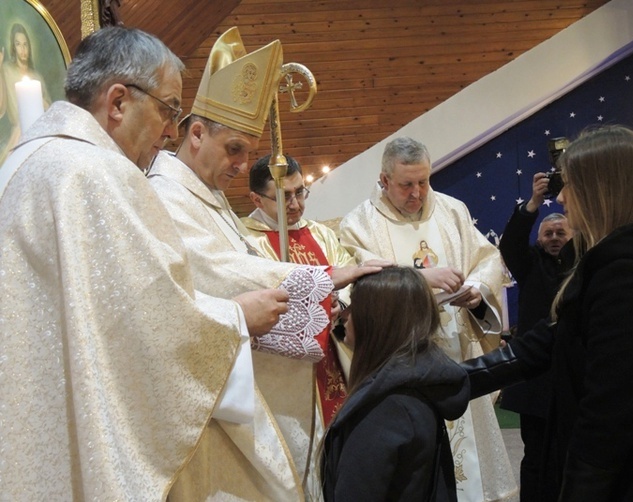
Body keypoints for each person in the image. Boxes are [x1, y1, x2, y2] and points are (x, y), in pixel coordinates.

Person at [0, 26, 291, 500]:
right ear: (118, 102)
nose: (171, 131)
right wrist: (237, 317)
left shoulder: (23, 163)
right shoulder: (98, 173)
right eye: (168, 109)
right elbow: (144, 326)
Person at [147, 28, 381, 501]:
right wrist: (321, 278)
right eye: (235, 149)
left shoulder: (207, 196)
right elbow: (215, 272)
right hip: (217, 402)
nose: (242, 163)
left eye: (249, 152)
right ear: (195, 133)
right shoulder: (166, 195)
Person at [462, 125, 633, 501]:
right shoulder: (624, 257)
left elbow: (608, 420)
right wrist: (456, 378)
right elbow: (550, 339)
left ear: (603, 191)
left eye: (571, 185)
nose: (562, 197)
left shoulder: (629, 275)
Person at [339, 136, 519, 502]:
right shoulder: (358, 224)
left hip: (455, 356)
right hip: (402, 367)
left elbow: (487, 260)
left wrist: (476, 289)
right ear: (384, 180)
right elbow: (362, 287)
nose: (418, 193)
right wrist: (422, 279)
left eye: (424, 182)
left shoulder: (451, 211)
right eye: (407, 184)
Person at [320, 266, 471, 501]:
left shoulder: (382, 409)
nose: (345, 315)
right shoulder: (415, 383)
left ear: (377, 320)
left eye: (354, 307)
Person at [242, 151, 357, 383]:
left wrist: (340, 303)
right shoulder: (244, 240)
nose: (295, 204)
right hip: (280, 365)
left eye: (300, 192)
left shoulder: (320, 233)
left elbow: (350, 272)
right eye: (284, 196)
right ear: (257, 199)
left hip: (333, 345)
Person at [498, 173, 573, 502]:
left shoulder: (584, 263)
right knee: (536, 457)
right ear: (539, 239)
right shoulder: (529, 265)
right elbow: (510, 243)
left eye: (560, 232)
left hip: (573, 376)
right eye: (548, 233)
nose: (554, 237)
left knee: (571, 455)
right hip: (537, 382)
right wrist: (531, 204)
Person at [0, 23, 51, 163]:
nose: (22, 49)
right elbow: (1, 109)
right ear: (13, 47)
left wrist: (42, 102)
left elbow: (49, 110)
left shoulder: (37, 77)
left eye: (25, 44)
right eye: (18, 44)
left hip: (39, 134)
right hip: (17, 137)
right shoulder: (6, 70)